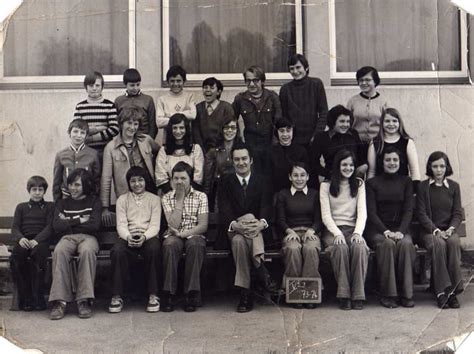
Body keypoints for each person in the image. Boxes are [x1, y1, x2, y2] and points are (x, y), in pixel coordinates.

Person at [218, 143, 278, 313]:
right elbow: (224, 208)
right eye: (237, 159)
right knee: (238, 236)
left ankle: (245, 292)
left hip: (256, 230)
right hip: (234, 228)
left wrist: (260, 223)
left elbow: (267, 206)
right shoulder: (225, 180)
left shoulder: (262, 180)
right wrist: (237, 224)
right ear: (232, 161)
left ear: (251, 160)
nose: (241, 162)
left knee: (239, 242)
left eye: (244, 158)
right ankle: (261, 270)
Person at [366, 147, 416, 308]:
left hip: (400, 228)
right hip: (378, 229)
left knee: (406, 244)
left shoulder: (406, 181)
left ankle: (406, 294)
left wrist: (401, 231)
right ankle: (388, 294)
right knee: (386, 244)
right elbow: (372, 213)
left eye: (395, 160)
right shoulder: (372, 183)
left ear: (400, 162)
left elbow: (409, 210)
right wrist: (385, 231)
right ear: (382, 162)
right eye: (388, 160)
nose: (391, 163)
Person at [49, 169, 102, 320]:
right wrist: (80, 219)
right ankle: (60, 302)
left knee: (87, 252)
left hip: (89, 238)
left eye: (77, 185)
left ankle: (83, 300)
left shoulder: (94, 202)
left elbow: (94, 226)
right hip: (67, 238)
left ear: (85, 185)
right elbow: (57, 226)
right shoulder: (62, 202)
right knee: (59, 251)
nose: (72, 188)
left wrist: (67, 220)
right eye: (71, 184)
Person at [320, 150, 368, 310]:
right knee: (340, 247)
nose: (348, 168)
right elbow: (326, 215)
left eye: (351, 165)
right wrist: (337, 233)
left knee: (360, 247)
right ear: (337, 165)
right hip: (332, 231)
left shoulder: (359, 184)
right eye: (344, 164)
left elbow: (362, 212)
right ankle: (344, 295)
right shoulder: (325, 186)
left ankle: (358, 295)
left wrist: (358, 233)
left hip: (353, 229)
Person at [108, 167, 162, 313]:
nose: (137, 184)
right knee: (117, 251)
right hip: (128, 236)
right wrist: (128, 237)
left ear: (145, 181)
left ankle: (153, 294)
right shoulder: (122, 200)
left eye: (140, 180)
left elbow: (155, 225)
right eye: (133, 181)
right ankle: (117, 296)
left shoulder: (154, 199)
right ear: (128, 183)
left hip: (148, 235)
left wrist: (144, 236)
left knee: (154, 249)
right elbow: (121, 224)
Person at [417, 151, 464, 309]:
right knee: (439, 244)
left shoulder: (454, 187)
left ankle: (452, 292)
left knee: (453, 242)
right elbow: (421, 213)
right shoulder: (423, 187)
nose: (439, 170)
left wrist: (451, 229)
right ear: (430, 167)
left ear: (447, 167)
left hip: (448, 230)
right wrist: (436, 230)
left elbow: (457, 213)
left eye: (442, 166)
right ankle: (441, 292)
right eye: (435, 166)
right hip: (429, 231)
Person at [161, 162, 209, 312]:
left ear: (190, 179)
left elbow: (203, 226)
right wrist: (180, 200)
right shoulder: (167, 197)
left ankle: (191, 293)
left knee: (195, 245)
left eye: (183, 178)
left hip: (193, 233)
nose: (179, 182)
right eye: (176, 178)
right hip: (173, 234)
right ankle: (169, 293)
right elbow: (173, 224)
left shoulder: (201, 196)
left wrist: (184, 234)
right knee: (170, 245)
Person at [101, 106, 158, 226]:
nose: (132, 127)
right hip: (126, 197)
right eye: (129, 123)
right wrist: (105, 207)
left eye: (136, 124)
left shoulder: (146, 140)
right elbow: (106, 179)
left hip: (149, 193)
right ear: (121, 123)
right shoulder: (111, 147)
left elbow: (161, 154)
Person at [276, 162, 322, 309]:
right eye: (295, 175)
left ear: (308, 177)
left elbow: (319, 219)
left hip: (310, 232)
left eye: (302, 175)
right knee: (293, 249)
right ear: (290, 177)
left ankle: (310, 293)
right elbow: (280, 220)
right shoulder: (283, 194)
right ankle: (294, 293)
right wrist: (289, 231)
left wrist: (312, 230)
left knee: (310, 248)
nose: (299, 179)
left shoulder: (314, 194)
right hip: (291, 232)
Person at [10, 176, 54, 311]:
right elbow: (15, 227)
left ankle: (38, 297)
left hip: (41, 241)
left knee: (39, 256)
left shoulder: (50, 206)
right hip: (24, 240)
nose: (37, 192)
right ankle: (26, 299)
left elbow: (50, 227)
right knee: (17, 256)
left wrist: (37, 240)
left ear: (44, 191)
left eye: (40, 189)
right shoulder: (21, 207)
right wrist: (20, 238)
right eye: (34, 189)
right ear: (29, 190)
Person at [232, 65, 282, 174]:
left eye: (255, 80)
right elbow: (231, 121)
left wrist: (275, 144)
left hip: (269, 145)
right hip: (250, 145)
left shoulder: (272, 97)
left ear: (262, 81)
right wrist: (239, 140)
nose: (251, 84)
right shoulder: (240, 99)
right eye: (248, 81)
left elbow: (278, 121)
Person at [279, 53, 328, 150]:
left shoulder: (316, 84)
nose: (295, 71)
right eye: (292, 68)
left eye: (298, 67)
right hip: (294, 140)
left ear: (306, 68)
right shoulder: (285, 89)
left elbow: (324, 112)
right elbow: (283, 117)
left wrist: (317, 135)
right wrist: (288, 137)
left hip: (313, 138)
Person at [310, 105, 366, 183]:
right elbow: (313, 162)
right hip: (331, 179)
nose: (346, 125)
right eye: (342, 121)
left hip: (352, 178)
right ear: (333, 121)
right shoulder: (321, 138)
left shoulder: (353, 134)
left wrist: (361, 168)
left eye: (348, 122)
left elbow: (362, 156)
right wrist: (328, 174)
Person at [367, 108, 421, 188]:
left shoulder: (407, 142)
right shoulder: (375, 143)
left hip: (402, 189)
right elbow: (372, 172)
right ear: (382, 123)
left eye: (394, 121)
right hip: (380, 190)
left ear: (400, 123)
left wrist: (415, 192)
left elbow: (414, 171)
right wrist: (369, 190)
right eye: (387, 121)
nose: (391, 124)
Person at [155, 113, 204, 194]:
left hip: (192, 194)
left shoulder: (195, 149)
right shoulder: (164, 150)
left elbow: (198, 177)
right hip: (169, 194)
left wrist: (186, 194)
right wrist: (173, 194)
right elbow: (161, 177)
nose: (178, 131)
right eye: (175, 128)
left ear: (186, 129)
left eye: (181, 128)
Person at [52, 118, 100, 201]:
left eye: (82, 133)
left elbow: (97, 180)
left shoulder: (93, 154)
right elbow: (57, 182)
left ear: (86, 136)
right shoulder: (61, 155)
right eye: (75, 131)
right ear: (69, 133)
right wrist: (57, 202)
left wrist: (94, 199)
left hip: (87, 198)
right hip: (66, 198)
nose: (78, 135)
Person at [73, 71, 119, 155]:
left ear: (102, 87)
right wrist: (100, 128)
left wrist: (93, 137)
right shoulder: (80, 107)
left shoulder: (109, 105)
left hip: (106, 150)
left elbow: (115, 129)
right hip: (85, 150)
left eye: (97, 85)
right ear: (86, 88)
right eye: (91, 85)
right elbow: (76, 129)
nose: (94, 88)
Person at [203, 116, 242, 212]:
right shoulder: (213, 151)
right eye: (226, 127)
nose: (229, 131)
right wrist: (206, 196)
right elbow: (208, 176)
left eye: (233, 128)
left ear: (237, 130)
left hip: (239, 189)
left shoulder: (242, 149)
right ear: (222, 129)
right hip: (219, 189)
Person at [346, 66, 388, 154]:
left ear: (375, 81)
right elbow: (347, 123)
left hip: (377, 145)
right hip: (356, 145)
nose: (364, 83)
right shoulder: (353, 101)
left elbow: (387, 124)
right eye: (361, 80)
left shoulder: (383, 102)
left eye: (367, 80)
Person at [156, 65, 197, 145]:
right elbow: (159, 122)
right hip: (168, 140)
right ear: (168, 81)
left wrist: (170, 115)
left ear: (184, 81)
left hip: (186, 140)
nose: (175, 84)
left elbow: (192, 115)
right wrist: (185, 115)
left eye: (178, 81)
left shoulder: (190, 96)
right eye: (172, 81)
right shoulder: (162, 99)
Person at [193, 77, 235, 152]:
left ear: (218, 92)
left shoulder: (226, 108)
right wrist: (201, 152)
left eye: (212, 88)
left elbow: (231, 131)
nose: (208, 90)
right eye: (205, 87)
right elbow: (196, 134)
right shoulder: (197, 108)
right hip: (202, 151)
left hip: (222, 151)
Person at [114, 68, 157, 139]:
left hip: (143, 138)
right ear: (125, 84)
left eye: (138, 85)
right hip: (124, 139)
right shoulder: (119, 101)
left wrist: (149, 141)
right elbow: (116, 123)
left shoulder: (148, 100)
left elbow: (152, 125)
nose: (135, 88)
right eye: (132, 85)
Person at [270, 118, 308, 193]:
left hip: (296, 192)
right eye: (281, 131)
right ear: (276, 132)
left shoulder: (301, 151)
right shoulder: (270, 152)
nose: (285, 134)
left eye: (288, 130)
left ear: (293, 131)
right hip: (276, 191)